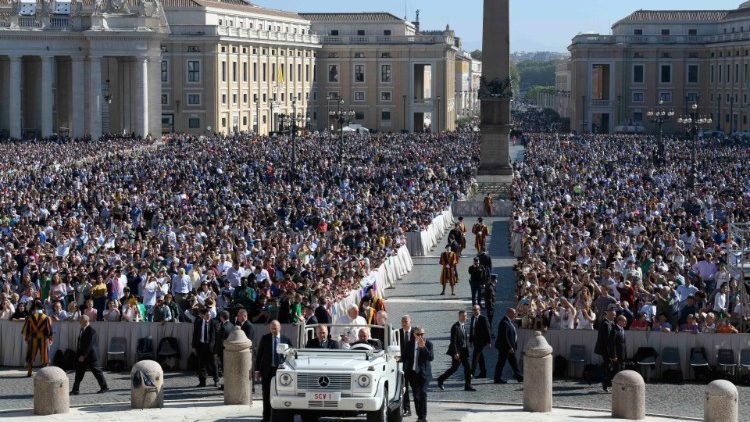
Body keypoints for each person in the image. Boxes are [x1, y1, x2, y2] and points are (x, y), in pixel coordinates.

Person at [255, 320, 292, 422]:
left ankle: (280, 416)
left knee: (281, 393)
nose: (273, 329)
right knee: (266, 393)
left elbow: (292, 355)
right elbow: (259, 355)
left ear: (279, 328)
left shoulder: (285, 339)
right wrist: (257, 370)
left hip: (281, 371)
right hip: (268, 370)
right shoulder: (265, 338)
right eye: (271, 328)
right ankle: (266, 417)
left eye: (275, 328)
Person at [70, 315, 109, 394]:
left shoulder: (91, 331)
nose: (79, 322)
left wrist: (83, 355)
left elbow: (89, 345)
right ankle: (75, 390)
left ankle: (104, 387)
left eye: (80, 320)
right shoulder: (82, 330)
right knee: (79, 373)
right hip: (82, 356)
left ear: (85, 321)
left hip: (90, 356)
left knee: (97, 372)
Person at [437, 310, 475, 391]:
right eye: (463, 316)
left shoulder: (463, 326)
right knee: (454, 368)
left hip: (464, 351)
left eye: (466, 316)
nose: (465, 317)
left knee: (468, 368)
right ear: (459, 316)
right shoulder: (455, 327)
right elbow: (453, 341)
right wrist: (456, 353)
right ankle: (440, 379)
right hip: (457, 352)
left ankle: (468, 385)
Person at [402, 326, 434, 422]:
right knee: (416, 396)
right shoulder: (409, 344)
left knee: (423, 393)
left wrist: (423, 347)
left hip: (424, 374)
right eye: (418, 334)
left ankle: (423, 417)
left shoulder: (428, 344)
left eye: (422, 334)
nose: (420, 336)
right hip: (413, 374)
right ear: (414, 334)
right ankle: (419, 416)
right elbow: (404, 357)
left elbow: (431, 358)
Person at [21, 300, 53, 377]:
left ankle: (29, 371)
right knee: (44, 355)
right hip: (43, 338)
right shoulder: (47, 318)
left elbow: (26, 330)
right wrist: (50, 338)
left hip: (33, 338)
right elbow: (49, 330)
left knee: (31, 354)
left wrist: (27, 338)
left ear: (34, 308)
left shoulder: (29, 318)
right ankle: (45, 373)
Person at [494, 308, 523, 384]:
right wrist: (510, 347)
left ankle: (519, 377)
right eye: (514, 313)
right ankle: (497, 379)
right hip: (505, 348)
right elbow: (504, 337)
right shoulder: (504, 322)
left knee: (513, 363)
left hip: (508, 348)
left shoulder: (508, 321)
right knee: (501, 363)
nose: (515, 314)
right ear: (509, 313)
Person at [191, 307, 218, 387]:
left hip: (211, 347)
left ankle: (216, 380)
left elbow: (216, 337)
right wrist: (194, 346)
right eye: (206, 315)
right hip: (201, 345)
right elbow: (195, 334)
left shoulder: (214, 323)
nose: (208, 316)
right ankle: (202, 381)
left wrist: (215, 348)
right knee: (201, 364)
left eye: (209, 315)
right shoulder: (198, 322)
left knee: (213, 364)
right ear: (203, 316)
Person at [596, 304, 617, 392]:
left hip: (606, 349)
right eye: (612, 315)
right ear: (607, 314)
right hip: (606, 349)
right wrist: (612, 354)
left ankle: (607, 382)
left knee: (608, 366)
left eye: (614, 315)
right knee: (609, 367)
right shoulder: (605, 324)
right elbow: (608, 340)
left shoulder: (609, 323)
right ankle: (606, 383)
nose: (614, 317)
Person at [399, 314, 415, 417]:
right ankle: (407, 409)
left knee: (416, 388)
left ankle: (420, 409)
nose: (404, 323)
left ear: (410, 322)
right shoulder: (398, 333)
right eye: (403, 322)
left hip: (414, 364)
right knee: (404, 387)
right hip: (403, 365)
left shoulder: (415, 332)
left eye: (406, 321)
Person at [469, 304, 491, 378]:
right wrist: (470, 341)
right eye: (473, 310)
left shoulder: (483, 318)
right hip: (475, 341)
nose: (474, 311)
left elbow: (488, 330)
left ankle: (471, 373)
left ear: (479, 310)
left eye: (476, 309)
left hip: (482, 341)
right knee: (480, 357)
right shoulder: (472, 318)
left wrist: (489, 342)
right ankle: (483, 372)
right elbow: (471, 330)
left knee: (475, 356)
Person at [214, 310, 233, 390]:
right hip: (230, 350)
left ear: (221, 317)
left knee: (225, 369)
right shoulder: (232, 325)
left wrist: (216, 352)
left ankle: (227, 385)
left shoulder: (223, 327)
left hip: (223, 351)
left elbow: (220, 341)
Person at [606, 315, 627, 386]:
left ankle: (620, 385)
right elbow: (612, 344)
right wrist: (614, 356)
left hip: (622, 354)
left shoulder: (622, 329)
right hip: (616, 355)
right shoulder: (614, 330)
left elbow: (623, 343)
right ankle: (606, 382)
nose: (625, 323)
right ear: (619, 321)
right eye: (624, 321)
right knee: (616, 370)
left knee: (622, 370)